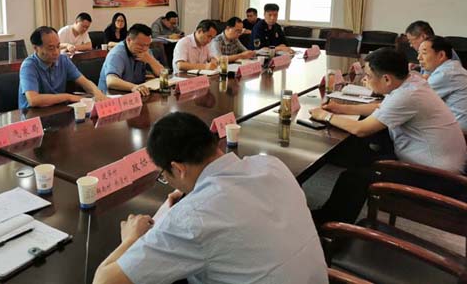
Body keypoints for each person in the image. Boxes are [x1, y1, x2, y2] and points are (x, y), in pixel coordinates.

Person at [92, 112, 328, 284]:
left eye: (163, 175)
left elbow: (103, 281)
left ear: (178, 168)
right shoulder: (270, 164)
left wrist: (131, 239)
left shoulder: (192, 219)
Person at [309, 47, 466, 225]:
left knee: (354, 178)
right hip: (437, 161)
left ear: (386, 79)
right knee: (361, 150)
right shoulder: (411, 81)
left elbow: (361, 129)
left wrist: (326, 116)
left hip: (436, 178)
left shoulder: (407, 95)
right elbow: (383, 107)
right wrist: (341, 108)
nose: (366, 79)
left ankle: (329, 226)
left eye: (369, 76)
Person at [19, 26, 106, 109]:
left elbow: (84, 82)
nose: (56, 52)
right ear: (36, 48)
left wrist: (97, 93)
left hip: (56, 109)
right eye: (51, 48)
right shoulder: (29, 66)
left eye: (58, 47)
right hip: (32, 113)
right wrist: (68, 97)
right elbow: (33, 100)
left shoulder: (63, 60)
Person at [98, 24, 163, 96]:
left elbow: (162, 74)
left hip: (134, 95)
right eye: (140, 45)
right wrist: (134, 87)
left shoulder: (145, 52)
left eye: (147, 45)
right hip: (111, 96)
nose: (145, 48)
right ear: (129, 40)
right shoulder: (117, 54)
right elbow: (111, 81)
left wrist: (150, 60)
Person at [418, 36, 467, 132]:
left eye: (424, 53)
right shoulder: (451, 68)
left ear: (441, 55)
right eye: (418, 53)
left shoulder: (445, 73)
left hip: (459, 132)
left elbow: (416, 99)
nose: (419, 58)